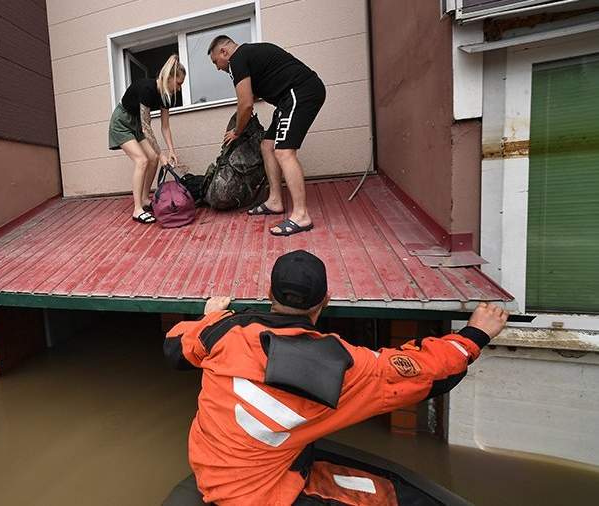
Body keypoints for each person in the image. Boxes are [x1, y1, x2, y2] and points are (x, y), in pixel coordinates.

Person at [163, 250, 509, 505]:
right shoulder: (347, 367)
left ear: (270, 296)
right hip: (260, 495)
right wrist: (474, 335)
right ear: (325, 301)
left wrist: (212, 315)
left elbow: (175, 349)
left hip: (212, 469)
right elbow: (425, 374)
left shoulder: (223, 330)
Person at [208, 37, 326, 236]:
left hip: (300, 92)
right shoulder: (248, 57)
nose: (217, 68)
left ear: (224, 52)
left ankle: (301, 215)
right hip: (287, 99)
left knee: (284, 152)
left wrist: (237, 132)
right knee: (267, 145)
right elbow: (252, 95)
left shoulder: (238, 60)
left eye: (215, 62)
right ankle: (275, 200)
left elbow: (245, 104)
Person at [108, 55, 185, 224]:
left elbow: (165, 126)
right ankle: (137, 209)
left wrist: (171, 151)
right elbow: (146, 127)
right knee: (142, 160)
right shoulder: (147, 88)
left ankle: (144, 199)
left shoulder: (167, 97)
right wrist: (161, 153)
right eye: (178, 83)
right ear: (169, 78)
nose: (179, 88)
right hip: (122, 122)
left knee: (153, 158)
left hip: (137, 123)